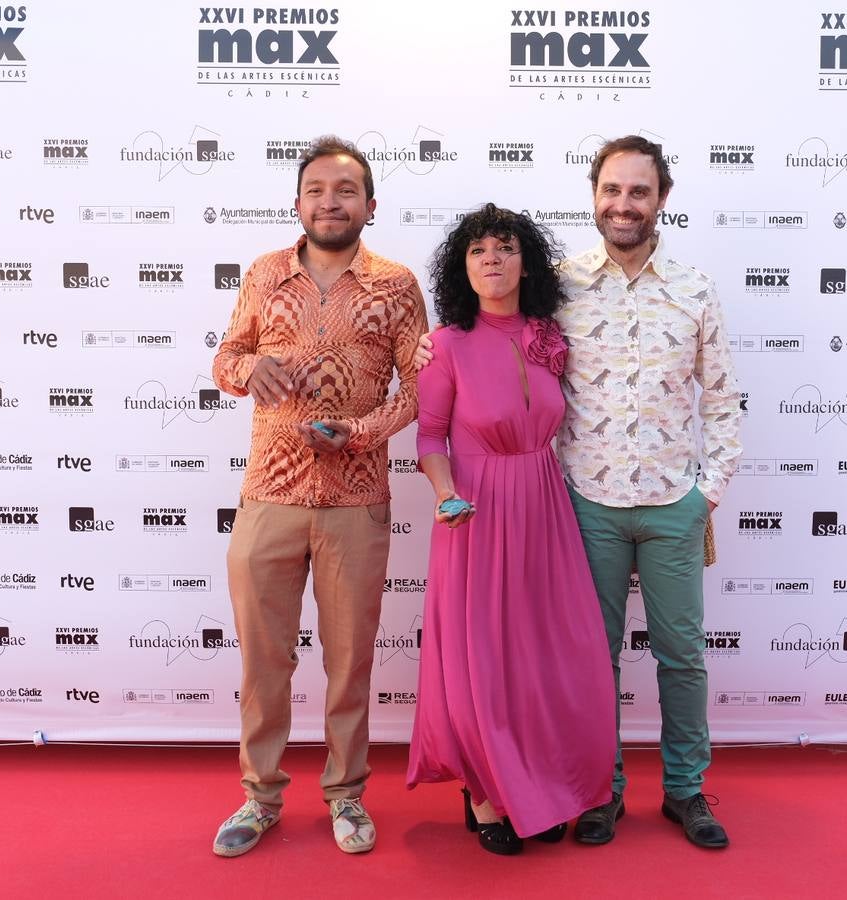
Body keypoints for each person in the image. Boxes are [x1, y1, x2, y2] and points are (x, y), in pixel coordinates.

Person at [415, 136, 743, 849]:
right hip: (583, 506)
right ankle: (601, 790)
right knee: (587, 660)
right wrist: (432, 347)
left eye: (639, 191)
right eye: (612, 190)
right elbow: (488, 337)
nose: (624, 204)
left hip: (672, 503)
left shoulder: (694, 289)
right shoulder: (558, 289)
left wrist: (707, 493)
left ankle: (686, 790)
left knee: (682, 656)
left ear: (661, 199)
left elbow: (721, 399)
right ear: (594, 196)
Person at [210, 135, 429, 858]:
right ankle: (260, 796)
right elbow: (226, 357)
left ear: (371, 205)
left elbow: (420, 390)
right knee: (263, 660)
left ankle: (346, 794)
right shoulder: (264, 273)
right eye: (316, 191)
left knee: (349, 662)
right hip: (268, 494)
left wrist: (360, 433)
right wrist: (249, 369)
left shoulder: (396, 285)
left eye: (345, 191)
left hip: (355, 499)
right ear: (297, 202)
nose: (330, 202)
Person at [406, 204, 616, 856]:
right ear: (462, 268)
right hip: (474, 512)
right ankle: (485, 795)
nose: (491, 259)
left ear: (527, 264)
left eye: (504, 247)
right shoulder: (445, 345)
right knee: (481, 662)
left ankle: (535, 785)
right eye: (477, 250)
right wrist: (446, 495)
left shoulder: (551, 336)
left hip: (544, 506)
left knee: (539, 661)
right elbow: (430, 436)